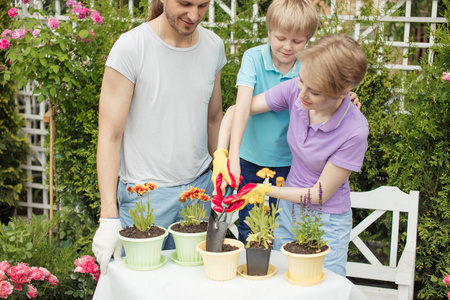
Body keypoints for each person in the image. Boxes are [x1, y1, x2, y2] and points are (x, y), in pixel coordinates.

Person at [92, 0, 226, 274]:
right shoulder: (132, 47)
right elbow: (109, 135)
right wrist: (108, 215)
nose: (194, 15)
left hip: (199, 193)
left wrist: (225, 184)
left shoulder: (213, 47)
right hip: (145, 199)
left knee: (196, 286)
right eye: (185, 4)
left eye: (202, 5)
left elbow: (214, 119)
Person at [219, 34, 369, 276]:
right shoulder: (296, 93)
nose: (302, 95)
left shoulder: (355, 130)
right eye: (301, 81)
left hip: (326, 222)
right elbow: (238, 110)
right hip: (288, 212)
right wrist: (223, 155)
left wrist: (263, 190)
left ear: (344, 91)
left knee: (323, 290)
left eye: (315, 92)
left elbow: (318, 194)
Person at [213, 0, 360, 245]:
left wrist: (344, 97)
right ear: (269, 30)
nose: (288, 47)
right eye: (281, 38)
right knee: (252, 233)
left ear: (308, 40)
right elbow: (240, 109)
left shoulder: (309, 68)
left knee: (280, 235)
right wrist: (230, 155)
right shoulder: (254, 58)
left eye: (298, 41)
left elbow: (330, 95)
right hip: (250, 161)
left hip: (289, 166)